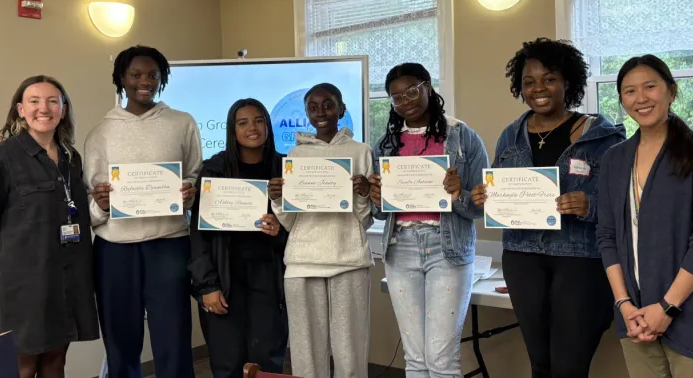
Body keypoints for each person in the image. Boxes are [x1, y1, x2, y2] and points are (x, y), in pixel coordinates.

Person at [471, 38, 626, 378]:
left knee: (570, 366)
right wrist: (485, 198)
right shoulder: (510, 136)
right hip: (522, 255)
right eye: (529, 82)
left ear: (568, 82)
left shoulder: (601, 136)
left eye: (550, 78)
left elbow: (629, 203)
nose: (538, 88)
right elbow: (499, 195)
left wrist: (590, 204)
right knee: (540, 363)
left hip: (580, 260)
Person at [596, 54, 693, 377]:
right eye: (629, 91)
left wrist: (667, 307)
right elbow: (607, 236)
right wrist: (624, 305)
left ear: (671, 91)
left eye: (650, 87)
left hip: (692, 317)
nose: (640, 98)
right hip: (635, 319)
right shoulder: (614, 161)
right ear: (621, 100)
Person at [84, 45, 202, 378]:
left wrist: (190, 194)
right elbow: (89, 200)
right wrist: (101, 204)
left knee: (174, 338)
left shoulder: (182, 123)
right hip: (115, 250)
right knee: (121, 341)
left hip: (169, 243)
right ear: (121, 78)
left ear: (162, 78)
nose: (144, 81)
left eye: (152, 74)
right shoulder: (100, 132)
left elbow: (193, 174)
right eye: (135, 74)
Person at [0, 75, 100, 378]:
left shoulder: (71, 158)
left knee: (56, 363)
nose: (45, 108)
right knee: (24, 369)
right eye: (35, 101)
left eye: (53, 101)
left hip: (67, 281)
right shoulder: (2, 158)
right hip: (21, 287)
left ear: (63, 110)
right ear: (20, 109)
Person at [367, 63, 490, 377]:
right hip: (400, 247)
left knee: (441, 358)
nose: (405, 101)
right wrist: (378, 198)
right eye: (396, 97)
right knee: (415, 358)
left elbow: (479, 207)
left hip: (446, 247)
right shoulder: (386, 145)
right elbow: (382, 212)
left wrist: (458, 193)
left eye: (411, 91)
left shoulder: (463, 137)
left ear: (428, 86)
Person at [268, 83, 374, 378]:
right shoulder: (295, 155)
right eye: (313, 108)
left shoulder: (361, 151)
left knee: (350, 350)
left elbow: (364, 220)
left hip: (349, 259)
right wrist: (278, 198)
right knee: (305, 352)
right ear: (306, 114)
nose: (321, 113)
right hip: (302, 262)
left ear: (341, 109)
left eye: (328, 105)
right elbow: (291, 221)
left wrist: (364, 193)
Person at [189, 98, 289, 378]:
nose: (252, 128)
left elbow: (301, 230)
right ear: (232, 130)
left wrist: (280, 230)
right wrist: (207, 285)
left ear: (268, 126)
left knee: (267, 360)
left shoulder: (286, 169)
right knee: (227, 362)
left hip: (270, 279)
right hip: (224, 277)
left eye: (258, 120)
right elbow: (199, 235)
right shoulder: (214, 170)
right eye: (242, 123)